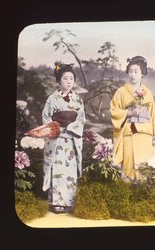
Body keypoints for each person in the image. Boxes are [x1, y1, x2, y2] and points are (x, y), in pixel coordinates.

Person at [41, 62, 86, 213]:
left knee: (70, 169)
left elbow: (81, 119)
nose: (68, 81)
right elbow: (46, 117)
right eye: (65, 78)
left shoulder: (78, 100)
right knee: (57, 168)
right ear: (59, 80)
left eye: (71, 79)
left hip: (71, 139)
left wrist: (71, 127)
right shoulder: (52, 99)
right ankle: (57, 202)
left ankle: (70, 201)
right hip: (57, 139)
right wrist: (56, 128)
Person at [110, 56, 155, 181]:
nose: (132, 74)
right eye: (130, 71)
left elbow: (152, 113)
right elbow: (113, 111)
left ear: (142, 73)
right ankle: (128, 191)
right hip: (129, 131)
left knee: (144, 165)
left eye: (136, 71)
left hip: (145, 134)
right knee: (129, 166)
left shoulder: (147, 92)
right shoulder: (121, 92)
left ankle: (143, 192)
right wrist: (128, 113)